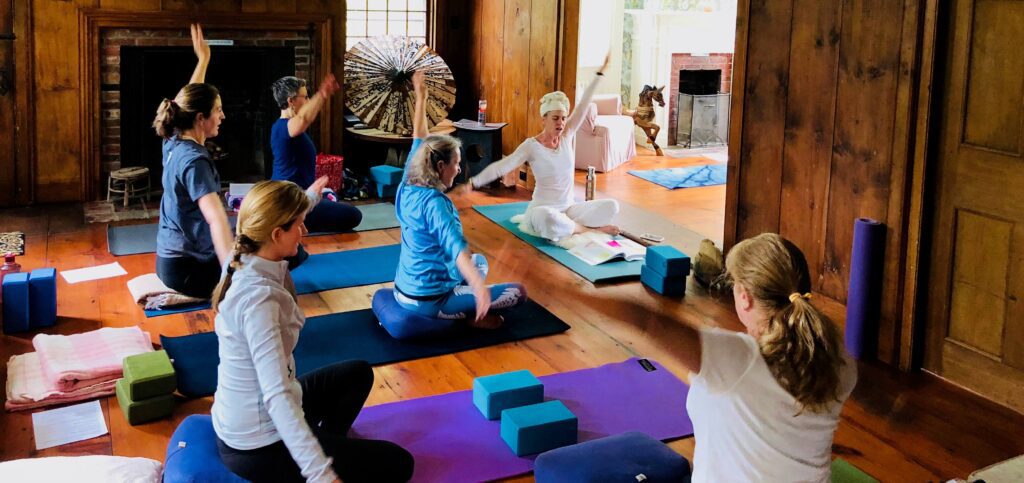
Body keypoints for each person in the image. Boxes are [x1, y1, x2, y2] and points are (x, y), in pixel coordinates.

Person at [211, 180, 414, 483]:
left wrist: (308, 199)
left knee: (357, 373)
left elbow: (275, 218)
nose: (304, 232)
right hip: (258, 444)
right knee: (400, 464)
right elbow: (276, 396)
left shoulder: (246, 253)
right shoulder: (258, 301)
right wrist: (321, 474)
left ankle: (324, 445)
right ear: (277, 234)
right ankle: (314, 460)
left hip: (250, 417)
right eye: (299, 225)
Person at [632, 233, 857, 481]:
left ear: (745, 297)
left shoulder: (740, 359)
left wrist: (584, 298)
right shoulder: (840, 358)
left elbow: (648, 323)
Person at [392, 70, 527, 328]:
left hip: (402, 292)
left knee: (480, 261)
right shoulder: (436, 204)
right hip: (431, 300)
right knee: (516, 292)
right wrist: (480, 290)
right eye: (456, 164)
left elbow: (418, 137)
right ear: (441, 166)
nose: (458, 169)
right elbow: (457, 250)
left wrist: (421, 97)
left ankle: (465, 303)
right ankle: (466, 316)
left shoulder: (409, 181)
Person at [454, 53, 619, 242]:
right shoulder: (532, 146)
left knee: (612, 206)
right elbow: (502, 166)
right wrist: (473, 183)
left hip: (569, 209)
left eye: (563, 118)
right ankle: (588, 230)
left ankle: (572, 227)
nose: (561, 123)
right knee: (548, 219)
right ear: (544, 119)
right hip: (541, 211)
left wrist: (600, 72)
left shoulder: (566, 136)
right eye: (555, 118)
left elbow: (582, 106)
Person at [151, 24, 231, 298]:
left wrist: (203, 60)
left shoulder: (172, 138)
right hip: (188, 271)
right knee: (275, 264)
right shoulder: (196, 161)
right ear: (200, 118)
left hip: (168, 262)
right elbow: (217, 220)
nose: (222, 116)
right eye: (218, 111)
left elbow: (183, 99)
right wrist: (231, 275)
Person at [270, 74, 363, 234]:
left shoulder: (286, 127)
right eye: (305, 97)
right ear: (290, 101)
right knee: (353, 215)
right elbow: (304, 118)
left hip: (301, 195)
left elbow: (305, 118)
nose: (307, 101)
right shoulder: (283, 127)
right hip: (290, 201)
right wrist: (323, 93)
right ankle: (291, 222)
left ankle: (296, 220)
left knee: (333, 201)